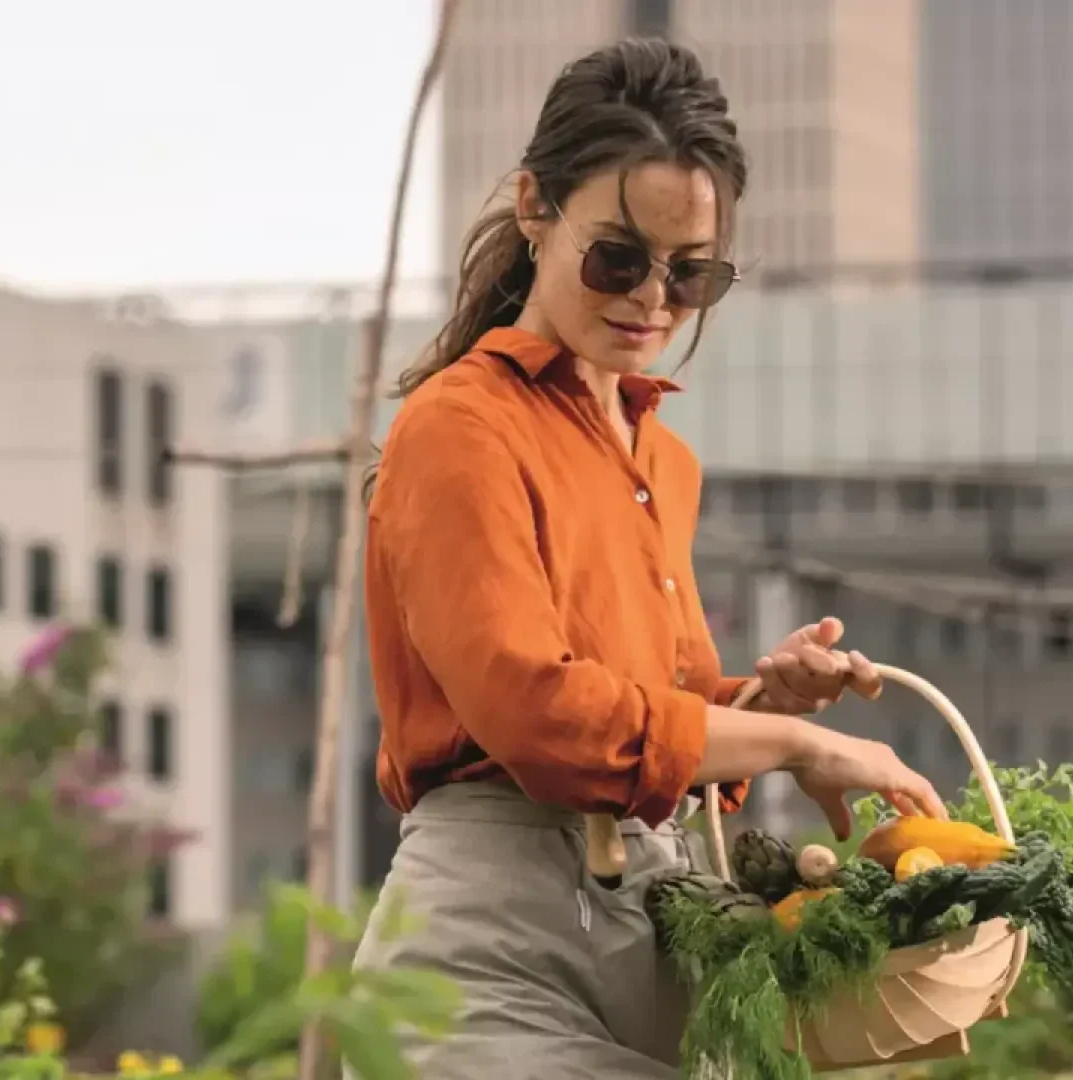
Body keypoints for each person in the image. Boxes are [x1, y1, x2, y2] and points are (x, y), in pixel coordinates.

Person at [349, 37, 946, 1079]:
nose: (653, 300)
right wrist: (795, 752)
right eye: (618, 258)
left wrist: (762, 705)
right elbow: (535, 715)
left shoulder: (660, 459)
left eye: (692, 272)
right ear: (535, 207)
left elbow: (642, 719)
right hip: (489, 958)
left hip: (661, 945)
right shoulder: (459, 426)